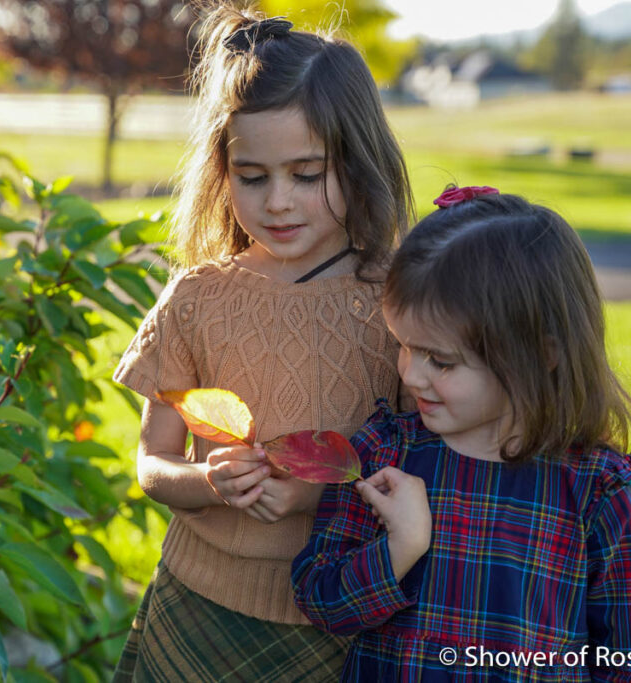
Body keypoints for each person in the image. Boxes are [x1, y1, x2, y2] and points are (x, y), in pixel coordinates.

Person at [110, 2, 413, 680]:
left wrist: (314, 495)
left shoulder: (400, 302)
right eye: (254, 177)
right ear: (223, 170)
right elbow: (152, 462)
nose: (278, 201)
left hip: (337, 613)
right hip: (197, 604)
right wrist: (209, 482)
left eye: (307, 174)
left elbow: (425, 464)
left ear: (358, 161)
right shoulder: (196, 297)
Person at [292, 187, 631, 682]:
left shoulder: (595, 491)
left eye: (441, 361)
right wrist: (399, 546)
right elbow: (319, 600)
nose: (411, 375)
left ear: (540, 354)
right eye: (404, 346)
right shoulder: (386, 454)